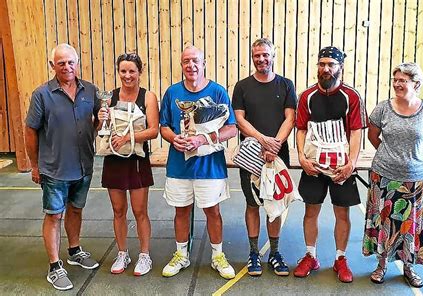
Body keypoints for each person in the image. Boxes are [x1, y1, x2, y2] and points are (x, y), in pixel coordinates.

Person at [25, 43, 100, 291]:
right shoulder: (41, 94)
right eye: (61, 63)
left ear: (77, 63)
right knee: (54, 215)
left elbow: (98, 125)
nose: (67, 67)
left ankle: (74, 250)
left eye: (71, 62)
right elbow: (30, 131)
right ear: (52, 66)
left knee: (76, 210)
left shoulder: (90, 90)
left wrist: (103, 121)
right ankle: (55, 266)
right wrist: (34, 165)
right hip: (54, 168)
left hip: (83, 165)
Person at [159, 46, 237, 279]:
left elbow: (231, 129)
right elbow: (164, 126)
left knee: (212, 211)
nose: (191, 66)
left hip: (210, 166)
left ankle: (217, 256)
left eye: (195, 61)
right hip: (178, 166)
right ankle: (181, 254)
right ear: (181, 65)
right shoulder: (172, 93)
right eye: (186, 62)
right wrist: (175, 139)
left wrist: (204, 138)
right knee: (181, 211)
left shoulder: (218, 91)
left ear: (204, 63)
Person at [362, 62, 423, 287]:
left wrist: (414, 159)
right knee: (384, 221)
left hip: (418, 179)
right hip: (384, 176)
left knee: (411, 225)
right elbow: (373, 137)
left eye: (403, 81)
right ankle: (381, 265)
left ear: (416, 84)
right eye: (395, 80)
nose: (397, 84)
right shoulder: (382, 109)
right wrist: (391, 157)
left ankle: (409, 267)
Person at [294, 46, 367, 282]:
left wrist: (351, 164)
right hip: (314, 166)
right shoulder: (307, 96)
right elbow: (301, 129)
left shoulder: (351, 96)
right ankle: (310, 256)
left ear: (340, 68)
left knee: (342, 213)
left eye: (331, 65)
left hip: (341, 167)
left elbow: (356, 132)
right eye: (322, 64)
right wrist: (303, 159)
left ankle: (340, 259)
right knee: (310, 211)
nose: (326, 69)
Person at [232, 38, 296, 276]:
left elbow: (290, 118)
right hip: (251, 154)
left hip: (278, 154)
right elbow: (240, 119)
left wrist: (275, 145)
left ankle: (275, 253)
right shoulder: (242, 86)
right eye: (257, 55)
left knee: (275, 204)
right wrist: (263, 141)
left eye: (265, 55)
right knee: (252, 203)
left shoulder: (286, 85)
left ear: (273, 56)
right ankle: (252, 253)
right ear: (252, 57)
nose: (261, 59)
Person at [98, 53, 159, 276]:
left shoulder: (148, 97)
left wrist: (128, 138)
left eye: (132, 71)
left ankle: (145, 255)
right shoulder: (109, 98)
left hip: (136, 160)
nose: (127, 75)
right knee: (118, 210)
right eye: (123, 71)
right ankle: (122, 252)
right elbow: (99, 128)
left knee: (140, 210)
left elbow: (154, 130)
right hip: (113, 159)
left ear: (140, 72)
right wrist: (99, 117)